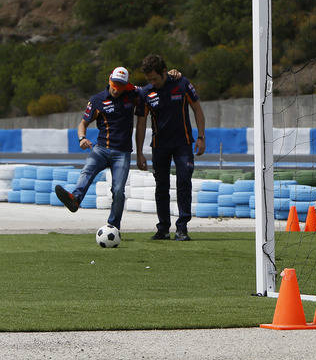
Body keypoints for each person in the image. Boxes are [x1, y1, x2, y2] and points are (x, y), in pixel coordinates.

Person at [54, 67, 143, 230]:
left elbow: (152, 88)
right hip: (101, 149)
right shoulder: (97, 100)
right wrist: (82, 138)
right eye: (115, 83)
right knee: (87, 172)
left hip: (122, 153)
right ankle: (75, 199)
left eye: (121, 85)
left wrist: (172, 76)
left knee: (118, 190)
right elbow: (83, 123)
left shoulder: (133, 95)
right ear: (109, 80)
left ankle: (113, 226)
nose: (117, 88)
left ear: (127, 85)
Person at [136, 54, 206, 242]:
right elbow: (141, 123)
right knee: (161, 187)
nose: (152, 82)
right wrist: (140, 152)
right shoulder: (145, 93)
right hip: (159, 146)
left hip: (183, 144)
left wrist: (201, 137)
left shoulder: (182, 83)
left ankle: (182, 228)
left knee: (184, 182)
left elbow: (197, 109)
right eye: (148, 79)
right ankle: (163, 228)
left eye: (155, 78)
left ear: (164, 72)